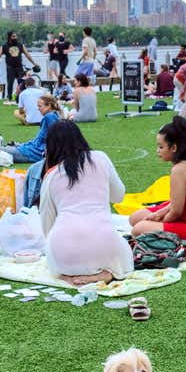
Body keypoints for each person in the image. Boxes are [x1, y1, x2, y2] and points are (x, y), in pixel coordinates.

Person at [39, 121, 132, 285]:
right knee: (123, 252)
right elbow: (119, 196)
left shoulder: (51, 175)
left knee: (57, 257)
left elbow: (46, 224)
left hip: (62, 250)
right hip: (104, 243)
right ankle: (105, 273)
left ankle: (68, 275)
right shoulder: (101, 158)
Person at [128, 117, 186, 246]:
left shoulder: (180, 169)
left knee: (138, 229)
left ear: (174, 148)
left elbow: (176, 212)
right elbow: (176, 203)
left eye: (161, 147)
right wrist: (158, 214)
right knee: (135, 218)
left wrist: (159, 222)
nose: (157, 151)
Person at [0, 94, 58, 164]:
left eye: (40, 106)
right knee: (2, 149)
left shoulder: (49, 118)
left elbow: (54, 140)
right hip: (32, 150)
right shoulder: (54, 116)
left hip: (33, 153)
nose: (38, 109)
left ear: (49, 106)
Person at [0, 31, 40, 100]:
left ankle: (23, 97)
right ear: (9, 37)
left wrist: (34, 63)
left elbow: (27, 55)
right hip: (10, 68)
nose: (15, 38)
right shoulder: (4, 46)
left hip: (19, 68)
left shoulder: (20, 45)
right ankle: (9, 98)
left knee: (22, 83)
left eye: (16, 36)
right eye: (13, 36)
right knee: (10, 84)